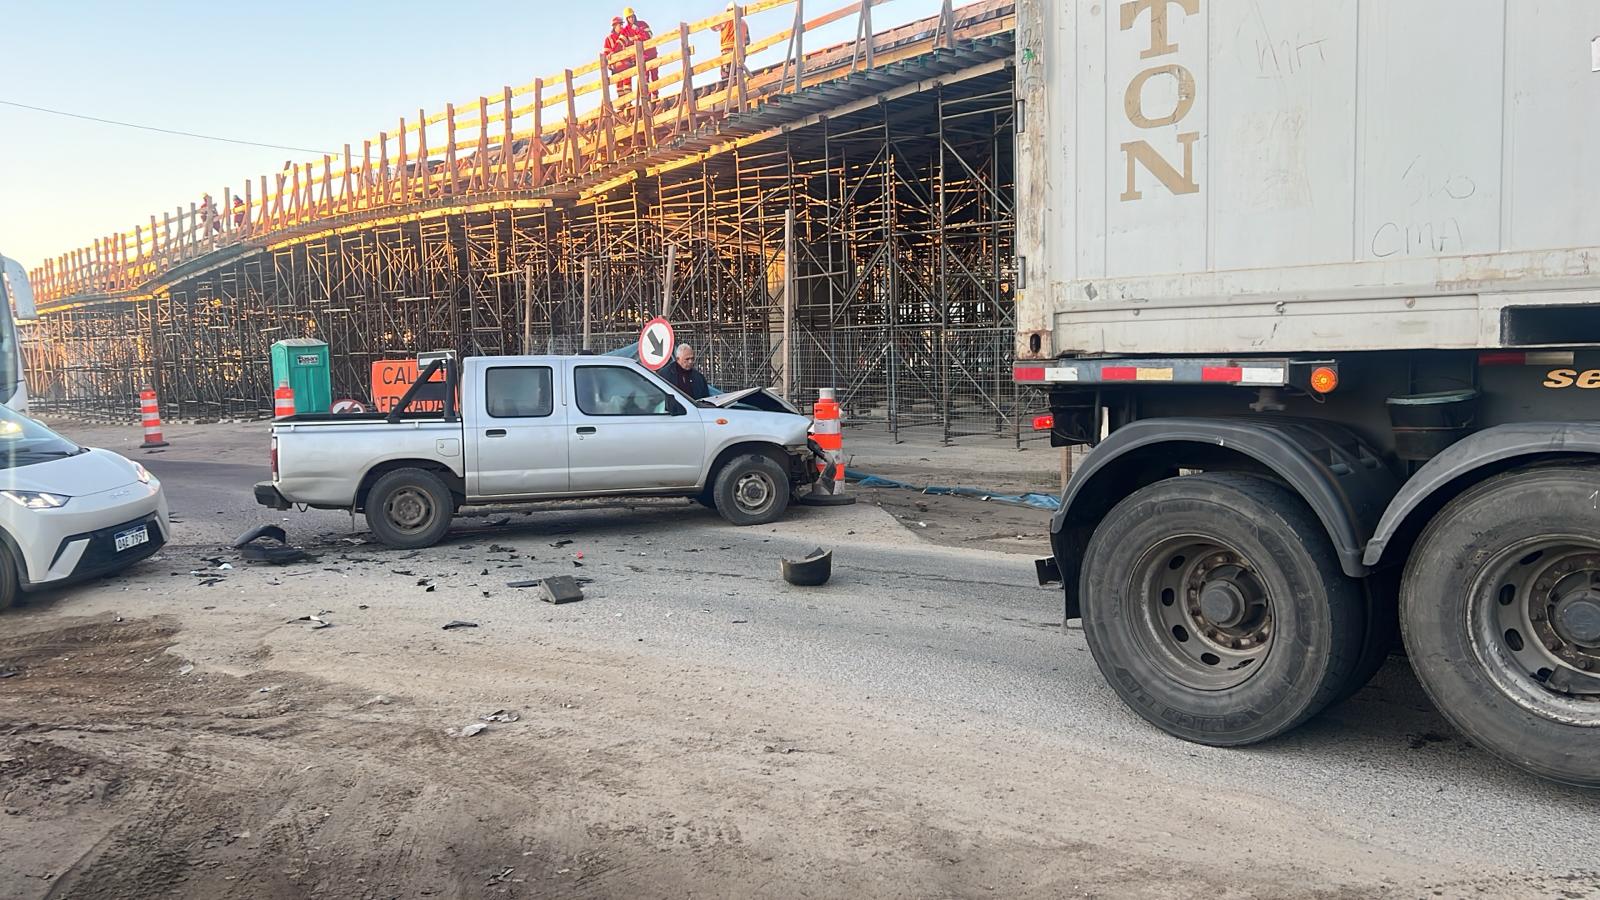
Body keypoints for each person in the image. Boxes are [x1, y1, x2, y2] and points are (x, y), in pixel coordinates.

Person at [622, 7, 659, 98]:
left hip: (651, 53)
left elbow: (649, 35)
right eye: (629, 17)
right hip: (640, 57)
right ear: (626, 19)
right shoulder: (626, 30)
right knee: (644, 78)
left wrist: (636, 35)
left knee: (654, 75)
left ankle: (655, 95)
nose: (631, 19)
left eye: (632, 16)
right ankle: (648, 97)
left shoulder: (642, 24)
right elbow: (622, 43)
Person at [717, 3, 750, 87]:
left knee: (726, 74)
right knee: (737, 72)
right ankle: (737, 86)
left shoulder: (725, 20)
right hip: (741, 51)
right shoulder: (744, 23)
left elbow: (713, 26)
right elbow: (747, 41)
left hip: (727, 50)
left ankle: (728, 88)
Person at [604, 16, 634, 97]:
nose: (621, 26)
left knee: (627, 84)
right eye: (619, 24)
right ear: (614, 26)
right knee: (619, 85)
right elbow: (606, 53)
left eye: (622, 24)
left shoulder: (625, 36)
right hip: (616, 66)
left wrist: (633, 61)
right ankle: (621, 103)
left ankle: (628, 102)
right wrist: (610, 64)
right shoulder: (609, 39)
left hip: (627, 64)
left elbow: (631, 48)